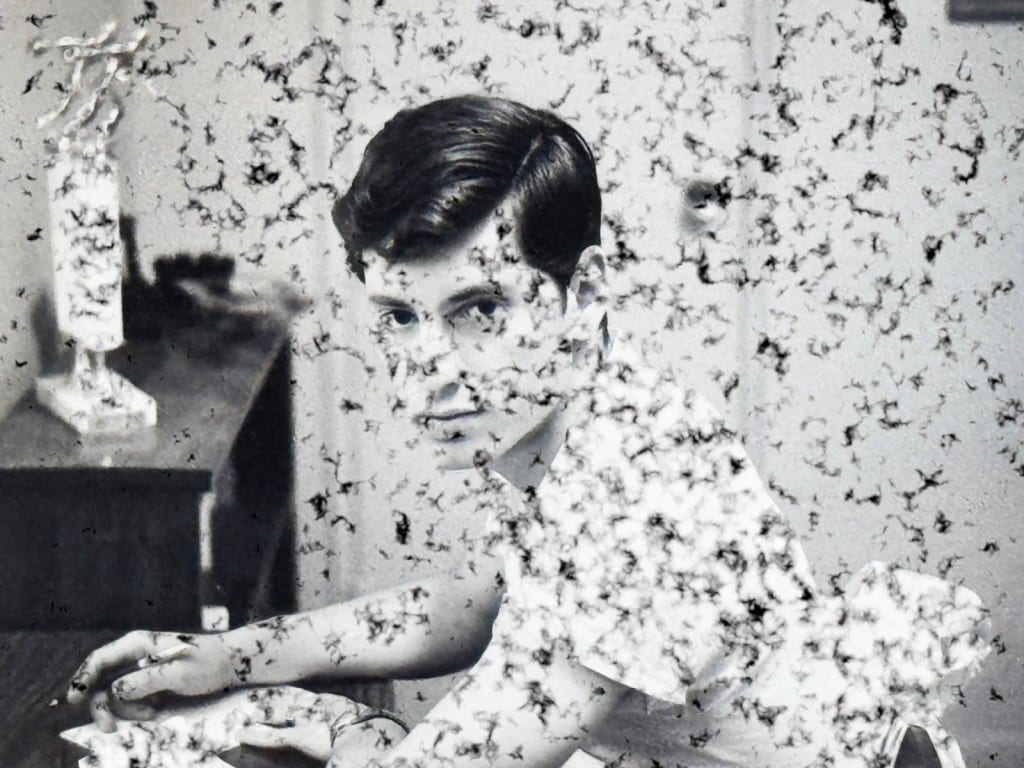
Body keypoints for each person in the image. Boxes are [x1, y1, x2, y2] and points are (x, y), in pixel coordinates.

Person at [67, 95, 992, 768]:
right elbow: (475, 604)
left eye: (477, 309)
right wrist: (231, 653)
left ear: (582, 294)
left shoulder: (645, 490)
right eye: (398, 315)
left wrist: (333, 726)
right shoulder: (584, 429)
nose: (429, 368)